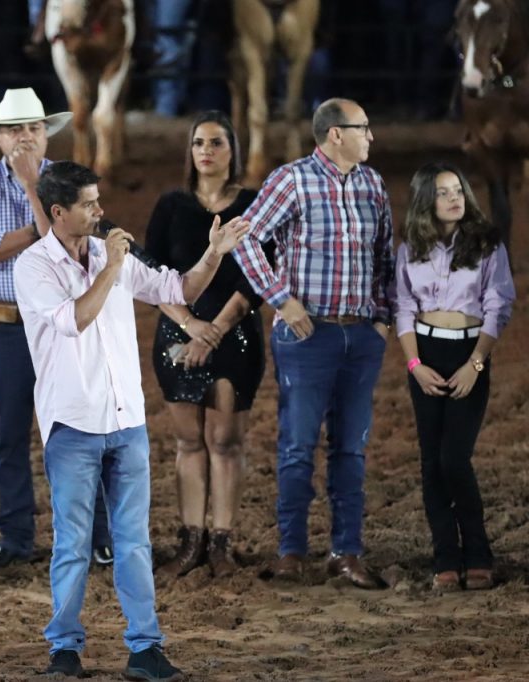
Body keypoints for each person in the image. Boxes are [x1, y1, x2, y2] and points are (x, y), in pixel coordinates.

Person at [14, 160, 247, 679]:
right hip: (72, 424)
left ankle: (145, 647)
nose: (101, 211)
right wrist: (113, 270)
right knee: (73, 543)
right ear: (59, 212)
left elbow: (179, 291)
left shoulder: (106, 252)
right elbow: (74, 319)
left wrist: (214, 253)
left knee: (134, 540)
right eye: (90, 203)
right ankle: (64, 647)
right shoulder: (34, 267)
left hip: (126, 422)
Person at [232, 97, 395, 589]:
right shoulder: (291, 180)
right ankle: (291, 551)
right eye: (363, 128)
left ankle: (346, 552)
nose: (371, 136)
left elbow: (385, 254)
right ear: (335, 135)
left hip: (359, 334)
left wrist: (382, 318)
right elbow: (244, 238)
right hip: (308, 333)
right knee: (298, 446)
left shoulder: (372, 184)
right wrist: (281, 300)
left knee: (351, 449)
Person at [0, 87, 113, 568]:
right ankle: (16, 537)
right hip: (7, 325)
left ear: (46, 136)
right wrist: (44, 226)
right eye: (14, 130)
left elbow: (73, 245)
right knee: (10, 433)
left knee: (77, 430)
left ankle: (95, 536)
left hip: (61, 326)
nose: (25, 138)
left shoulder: (67, 184)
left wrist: (32, 197)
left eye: (33, 128)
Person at [145, 111, 272, 578]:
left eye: (216, 142)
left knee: (225, 439)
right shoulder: (170, 206)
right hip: (178, 332)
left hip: (235, 333)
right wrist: (189, 324)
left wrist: (213, 328)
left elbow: (257, 275)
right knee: (187, 440)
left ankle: (222, 541)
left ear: (232, 150)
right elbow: (152, 274)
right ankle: (191, 538)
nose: (206, 150)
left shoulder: (253, 204)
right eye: (199, 142)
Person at [395, 162, 515, 592]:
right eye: (444, 192)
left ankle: (478, 553)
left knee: (454, 458)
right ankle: (446, 557)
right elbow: (404, 307)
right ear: (427, 199)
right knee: (431, 462)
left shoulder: (486, 244)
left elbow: (498, 304)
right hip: (425, 354)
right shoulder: (411, 246)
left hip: (468, 352)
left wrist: (476, 363)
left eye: (458, 191)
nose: (454, 199)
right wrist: (414, 365)